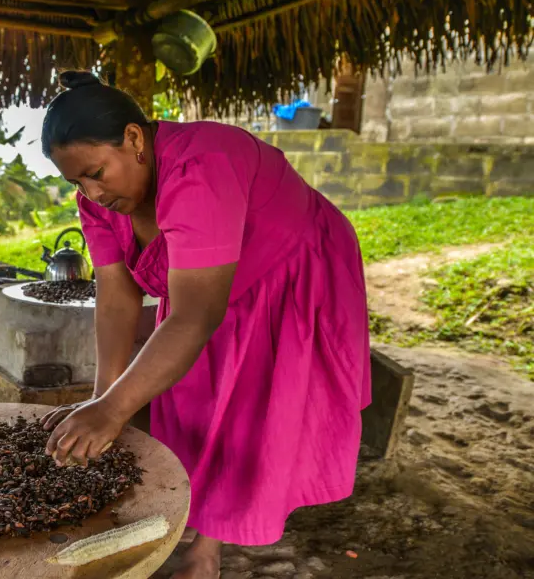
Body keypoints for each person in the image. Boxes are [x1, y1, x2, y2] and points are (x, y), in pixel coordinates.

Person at [39, 70, 371, 579]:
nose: (90, 191)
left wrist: (115, 410)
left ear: (133, 139)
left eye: (96, 172)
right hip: (206, 288)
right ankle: (204, 532)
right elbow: (115, 300)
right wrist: (106, 401)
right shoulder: (98, 203)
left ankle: (208, 548)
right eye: (76, 181)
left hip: (289, 267)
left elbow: (196, 314)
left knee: (250, 402)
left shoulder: (202, 164)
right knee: (191, 395)